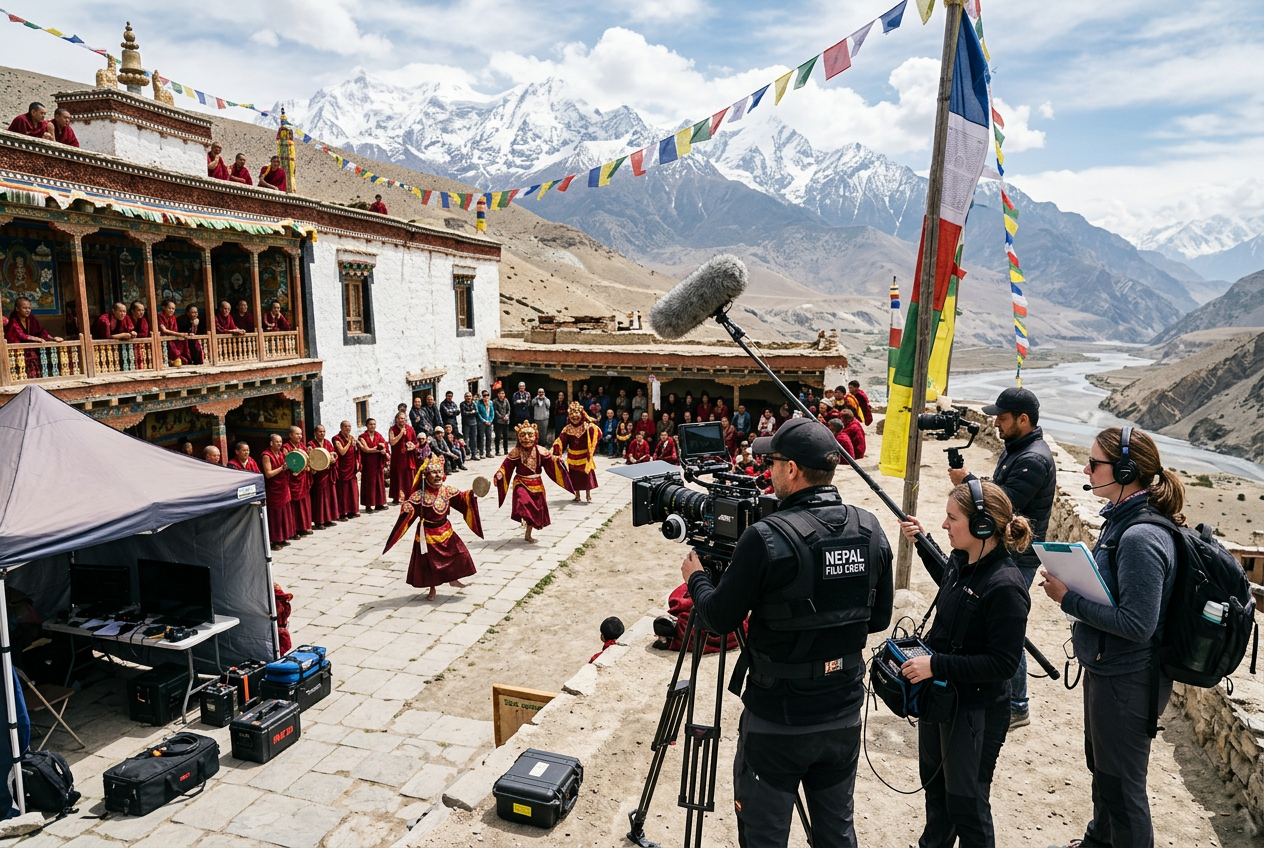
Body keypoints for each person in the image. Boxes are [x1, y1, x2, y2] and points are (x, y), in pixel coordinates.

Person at [682, 417, 894, 847]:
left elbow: (718, 619)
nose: (769, 470)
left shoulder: (765, 537)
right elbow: (878, 619)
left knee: (765, 837)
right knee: (836, 834)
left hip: (778, 720)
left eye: (773, 461)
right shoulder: (870, 527)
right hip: (843, 711)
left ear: (792, 470)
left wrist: (697, 578)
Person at [1040, 426, 1183, 848]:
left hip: (1129, 681)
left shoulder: (1141, 537)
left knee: (1123, 789)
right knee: (1103, 772)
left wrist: (1068, 600)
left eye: (1094, 463)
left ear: (1124, 470)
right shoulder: (1122, 522)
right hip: (1110, 672)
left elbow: (1138, 625)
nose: (1085, 469)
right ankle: (1097, 842)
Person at [897, 479, 1032, 848]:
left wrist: (936, 665)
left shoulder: (1006, 585)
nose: (945, 525)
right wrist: (923, 543)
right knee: (936, 791)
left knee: (967, 805)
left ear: (982, 526)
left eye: (951, 518)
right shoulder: (963, 560)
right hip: (942, 700)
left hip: (976, 711)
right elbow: (951, 583)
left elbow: (1003, 664)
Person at [951, 387, 1056, 729]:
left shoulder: (1032, 459)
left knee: (1007, 631)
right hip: (1006, 552)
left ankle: (1017, 704)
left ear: (1023, 420)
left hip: (1018, 558)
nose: (996, 422)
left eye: (1003, 417)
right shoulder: (1018, 449)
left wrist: (968, 483)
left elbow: (1005, 505)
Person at [385, 456, 483, 600]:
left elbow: (462, 499)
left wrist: (472, 493)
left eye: (439, 472)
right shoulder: (419, 496)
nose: (437, 475)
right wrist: (407, 508)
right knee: (429, 564)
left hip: (446, 531)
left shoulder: (447, 491)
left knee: (460, 553)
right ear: (425, 476)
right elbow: (410, 511)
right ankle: (432, 589)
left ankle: (453, 579)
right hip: (427, 535)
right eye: (433, 472)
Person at [493, 422, 573, 542]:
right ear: (518, 437)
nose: (526, 438)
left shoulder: (541, 451)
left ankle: (528, 534)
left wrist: (557, 460)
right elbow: (506, 466)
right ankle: (524, 519)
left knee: (535, 511)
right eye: (523, 435)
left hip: (536, 484)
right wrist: (500, 473)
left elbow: (551, 461)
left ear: (536, 436)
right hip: (521, 482)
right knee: (522, 502)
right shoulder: (516, 451)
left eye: (530, 435)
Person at [6, 296, 63, 378]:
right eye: (25, 308)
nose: (28, 310)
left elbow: (41, 330)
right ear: (17, 309)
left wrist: (52, 338)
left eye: (29, 308)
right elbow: (20, 334)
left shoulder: (31, 319)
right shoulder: (13, 320)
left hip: (30, 351)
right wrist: (35, 338)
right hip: (17, 352)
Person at [555, 402, 601, 503]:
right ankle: (577, 495)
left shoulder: (587, 427)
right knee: (574, 477)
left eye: (577, 414)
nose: (574, 417)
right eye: (571, 415)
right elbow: (561, 441)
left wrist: (592, 426)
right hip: (573, 457)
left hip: (585, 456)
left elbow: (598, 433)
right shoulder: (567, 429)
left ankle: (588, 495)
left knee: (586, 475)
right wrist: (556, 453)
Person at [261, 434, 295, 549]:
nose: (280, 444)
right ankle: (275, 541)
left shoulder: (281, 454)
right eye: (277, 442)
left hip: (283, 487)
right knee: (275, 515)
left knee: (285, 513)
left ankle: (283, 537)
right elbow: (268, 474)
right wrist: (282, 468)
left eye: (281, 442)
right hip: (274, 489)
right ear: (271, 443)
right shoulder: (266, 455)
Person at [308, 425, 339, 528]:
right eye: (320, 432)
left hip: (328, 473)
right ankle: (319, 521)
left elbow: (334, 454)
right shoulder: (311, 444)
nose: (322, 433)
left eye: (324, 431)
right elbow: (311, 458)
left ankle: (328, 519)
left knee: (329, 496)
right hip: (318, 475)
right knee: (320, 498)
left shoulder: (327, 443)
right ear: (315, 433)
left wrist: (333, 459)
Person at [358, 418, 389, 511]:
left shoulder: (378, 435)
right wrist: (378, 449)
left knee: (379, 483)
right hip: (368, 463)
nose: (373, 426)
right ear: (366, 425)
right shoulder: (362, 436)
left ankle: (379, 504)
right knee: (369, 484)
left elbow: (385, 446)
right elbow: (366, 449)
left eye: (374, 424)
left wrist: (383, 451)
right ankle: (368, 505)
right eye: (371, 424)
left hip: (377, 463)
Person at [286, 426, 313, 536]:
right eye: (297, 434)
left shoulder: (302, 446)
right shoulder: (286, 448)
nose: (300, 436)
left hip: (303, 479)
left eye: (301, 434)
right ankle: (295, 529)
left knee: (304, 504)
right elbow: (288, 463)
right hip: (293, 479)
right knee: (294, 506)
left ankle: (304, 526)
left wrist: (309, 467)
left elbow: (307, 460)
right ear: (291, 435)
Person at [388, 411, 418, 504]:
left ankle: (410, 495)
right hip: (398, 457)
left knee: (408, 477)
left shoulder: (410, 429)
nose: (403, 420)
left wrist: (413, 446)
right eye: (401, 418)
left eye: (404, 418)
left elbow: (416, 442)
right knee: (398, 476)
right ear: (396, 419)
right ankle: (396, 497)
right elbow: (392, 442)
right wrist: (401, 433)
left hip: (408, 457)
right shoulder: (392, 429)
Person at [332, 420, 360, 519]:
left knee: (352, 490)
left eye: (349, 426)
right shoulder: (336, 438)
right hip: (342, 468)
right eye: (345, 427)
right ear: (341, 428)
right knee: (343, 491)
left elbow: (356, 450)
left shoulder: (351, 438)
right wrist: (349, 443)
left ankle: (353, 510)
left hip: (351, 467)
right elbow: (342, 452)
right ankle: (343, 512)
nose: (348, 428)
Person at [157, 299, 190, 366]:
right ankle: (173, 358)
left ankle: (183, 358)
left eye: (173, 309)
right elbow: (164, 330)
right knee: (173, 349)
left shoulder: (173, 318)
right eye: (169, 308)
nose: (171, 310)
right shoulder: (160, 316)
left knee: (184, 341)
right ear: (164, 307)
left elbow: (175, 330)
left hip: (172, 338)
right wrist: (180, 334)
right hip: (163, 338)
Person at [476, 390, 495, 461]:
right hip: (482, 422)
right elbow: (478, 413)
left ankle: (488, 451)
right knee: (481, 437)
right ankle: (481, 452)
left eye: (487, 395)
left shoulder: (490, 403)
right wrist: (484, 420)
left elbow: (492, 413)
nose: (486, 397)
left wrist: (490, 420)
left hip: (489, 422)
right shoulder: (479, 403)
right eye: (484, 395)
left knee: (489, 437)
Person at [460, 392, 480, 457]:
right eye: (467, 396)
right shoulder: (462, 404)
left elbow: (476, 412)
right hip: (466, 424)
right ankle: (467, 454)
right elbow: (464, 413)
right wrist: (471, 412)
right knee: (466, 439)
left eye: (470, 396)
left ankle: (474, 454)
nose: (468, 398)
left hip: (474, 423)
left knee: (474, 439)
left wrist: (470, 413)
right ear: (465, 397)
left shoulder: (473, 404)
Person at [493, 388, 512, 455]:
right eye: (500, 393)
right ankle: (497, 451)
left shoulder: (506, 400)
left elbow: (508, 409)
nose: (501, 395)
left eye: (503, 393)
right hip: (498, 421)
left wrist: (507, 415)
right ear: (498, 394)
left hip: (506, 421)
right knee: (498, 436)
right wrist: (501, 417)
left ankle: (506, 450)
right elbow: (495, 411)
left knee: (505, 436)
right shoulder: (495, 401)